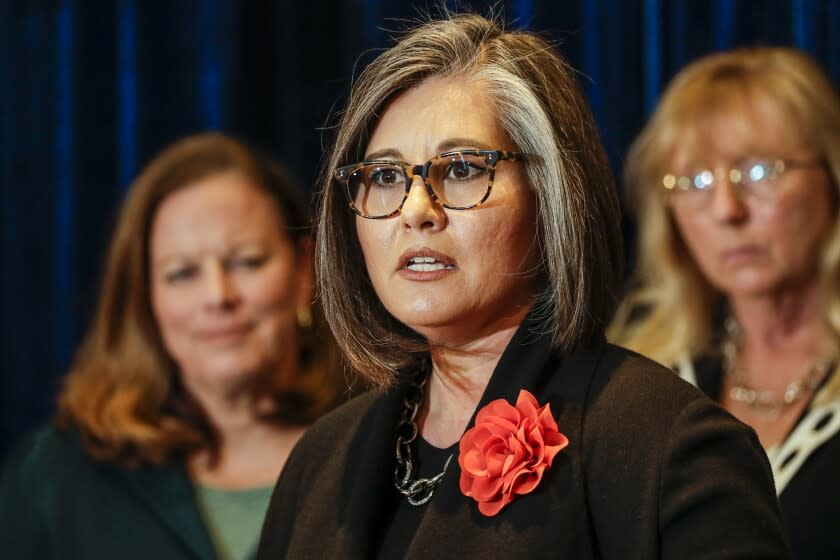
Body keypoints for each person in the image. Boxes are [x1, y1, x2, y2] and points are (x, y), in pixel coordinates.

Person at [257, 14, 789, 559]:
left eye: (463, 168)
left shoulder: (669, 446)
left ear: (552, 194)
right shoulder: (321, 460)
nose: (416, 211)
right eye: (386, 177)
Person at [0, 132, 345, 560]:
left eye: (248, 262)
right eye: (182, 273)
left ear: (303, 272)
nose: (218, 296)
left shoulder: (383, 449)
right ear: (145, 298)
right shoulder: (51, 477)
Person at [609, 47, 840, 558]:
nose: (726, 210)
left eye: (760, 172)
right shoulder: (640, 379)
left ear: (831, 176)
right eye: (694, 181)